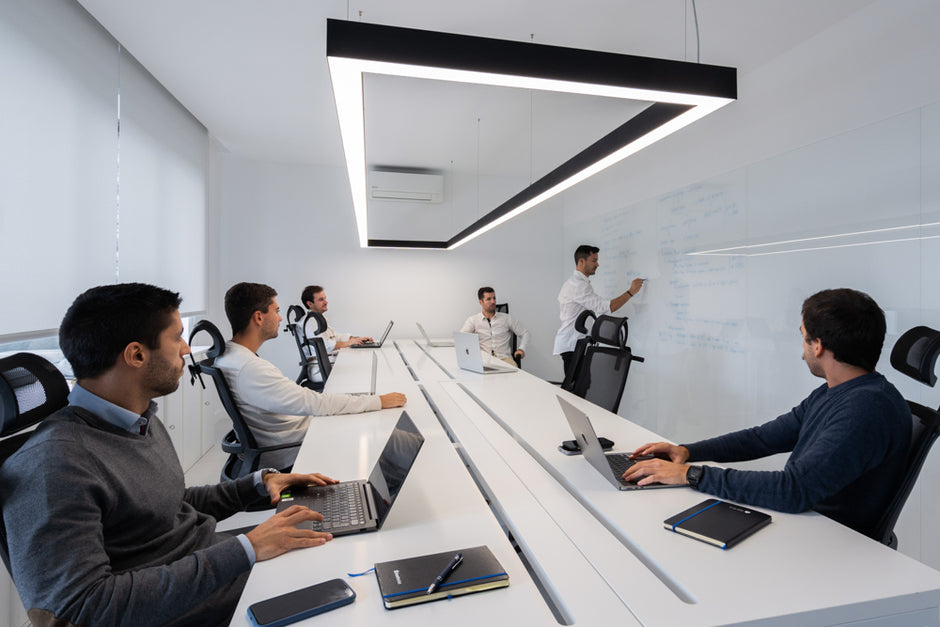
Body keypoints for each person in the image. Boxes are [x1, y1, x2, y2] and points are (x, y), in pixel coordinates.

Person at [0, 283, 338, 626]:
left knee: (340, 543)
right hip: (201, 607)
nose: (187, 349)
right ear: (136, 355)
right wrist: (245, 549)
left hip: (215, 569)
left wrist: (256, 484)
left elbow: (167, 506)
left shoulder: (138, 420)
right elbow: (82, 608)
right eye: (177, 338)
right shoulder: (53, 465)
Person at [622, 288, 911, 538]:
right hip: (803, 526)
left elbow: (793, 490)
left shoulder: (866, 408)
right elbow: (761, 439)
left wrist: (690, 475)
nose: (803, 349)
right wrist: (685, 451)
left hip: (825, 544)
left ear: (819, 345)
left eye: (804, 337)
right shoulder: (836, 392)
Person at [216, 282, 407, 470]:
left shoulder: (232, 357)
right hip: (293, 447)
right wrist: (378, 401)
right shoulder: (250, 368)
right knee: (383, 429)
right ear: (258, 317)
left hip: (294, 432)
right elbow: (314, 403)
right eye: (276, 311)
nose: (281, 318)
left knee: (369, 419)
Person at [553, 244, 644, 377]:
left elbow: (599, 309)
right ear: (581, 261)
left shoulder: (576, 283)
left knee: (580, 387)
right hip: (573, 345)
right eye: (594, 260)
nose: (597, 264)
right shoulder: (578, 286)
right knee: (576, 390)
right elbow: (606, 307)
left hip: (574, 344)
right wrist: (631, 292)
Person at [459, 287, 530, 367]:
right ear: (480, 302)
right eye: (488, 299)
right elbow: (461, 338)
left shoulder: (507, 318)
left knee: (514, 374)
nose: (493, 301)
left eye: (494, 298)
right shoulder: (473, 320)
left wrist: (521, 349)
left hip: (505, 360)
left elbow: (525, 333)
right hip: (483, 360)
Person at [301, 284, 371, 350]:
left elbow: (334, 337)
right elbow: (324, 345)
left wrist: (354, 339)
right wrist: (348, 343)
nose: (326, 302)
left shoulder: (317, 319)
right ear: (310, 303)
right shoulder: (309, 322)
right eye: (321, 300)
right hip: (323, 360)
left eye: (325, 298)